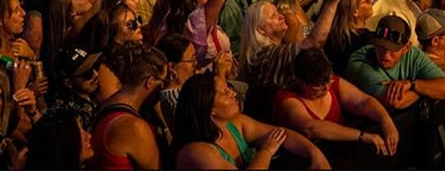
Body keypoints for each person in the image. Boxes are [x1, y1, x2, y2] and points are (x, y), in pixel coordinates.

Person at [173, 70, 330, 169]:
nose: (233, 94)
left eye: (229, 88)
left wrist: (315, 153)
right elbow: (271, 144)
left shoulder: (235, 123)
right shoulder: (196, 153)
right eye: (225, 93)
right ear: (209, 108)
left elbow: (282, 135)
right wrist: (266, 152)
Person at [272, 47, 398, 158]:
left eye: (328, 83)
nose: (326, 90)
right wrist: (362, 136)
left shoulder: (333, 83)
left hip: (339, 155)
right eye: (318, 88)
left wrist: (386, 121)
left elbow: (364, 101)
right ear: (300, 81)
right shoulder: (286, 99)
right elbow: (310, 128)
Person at [343, 14, 445, 112]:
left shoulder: (413, 54)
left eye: (393, 50)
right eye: (381, 47)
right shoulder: (359, 64)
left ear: (406, 47)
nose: (386, 55)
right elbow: (396, 102)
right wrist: (426, 89)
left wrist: (412, 84)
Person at [91, 42, 167, 170]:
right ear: (150, 82)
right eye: (163, 82)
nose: (163, 88)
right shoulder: (133, 127)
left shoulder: (106, 106)